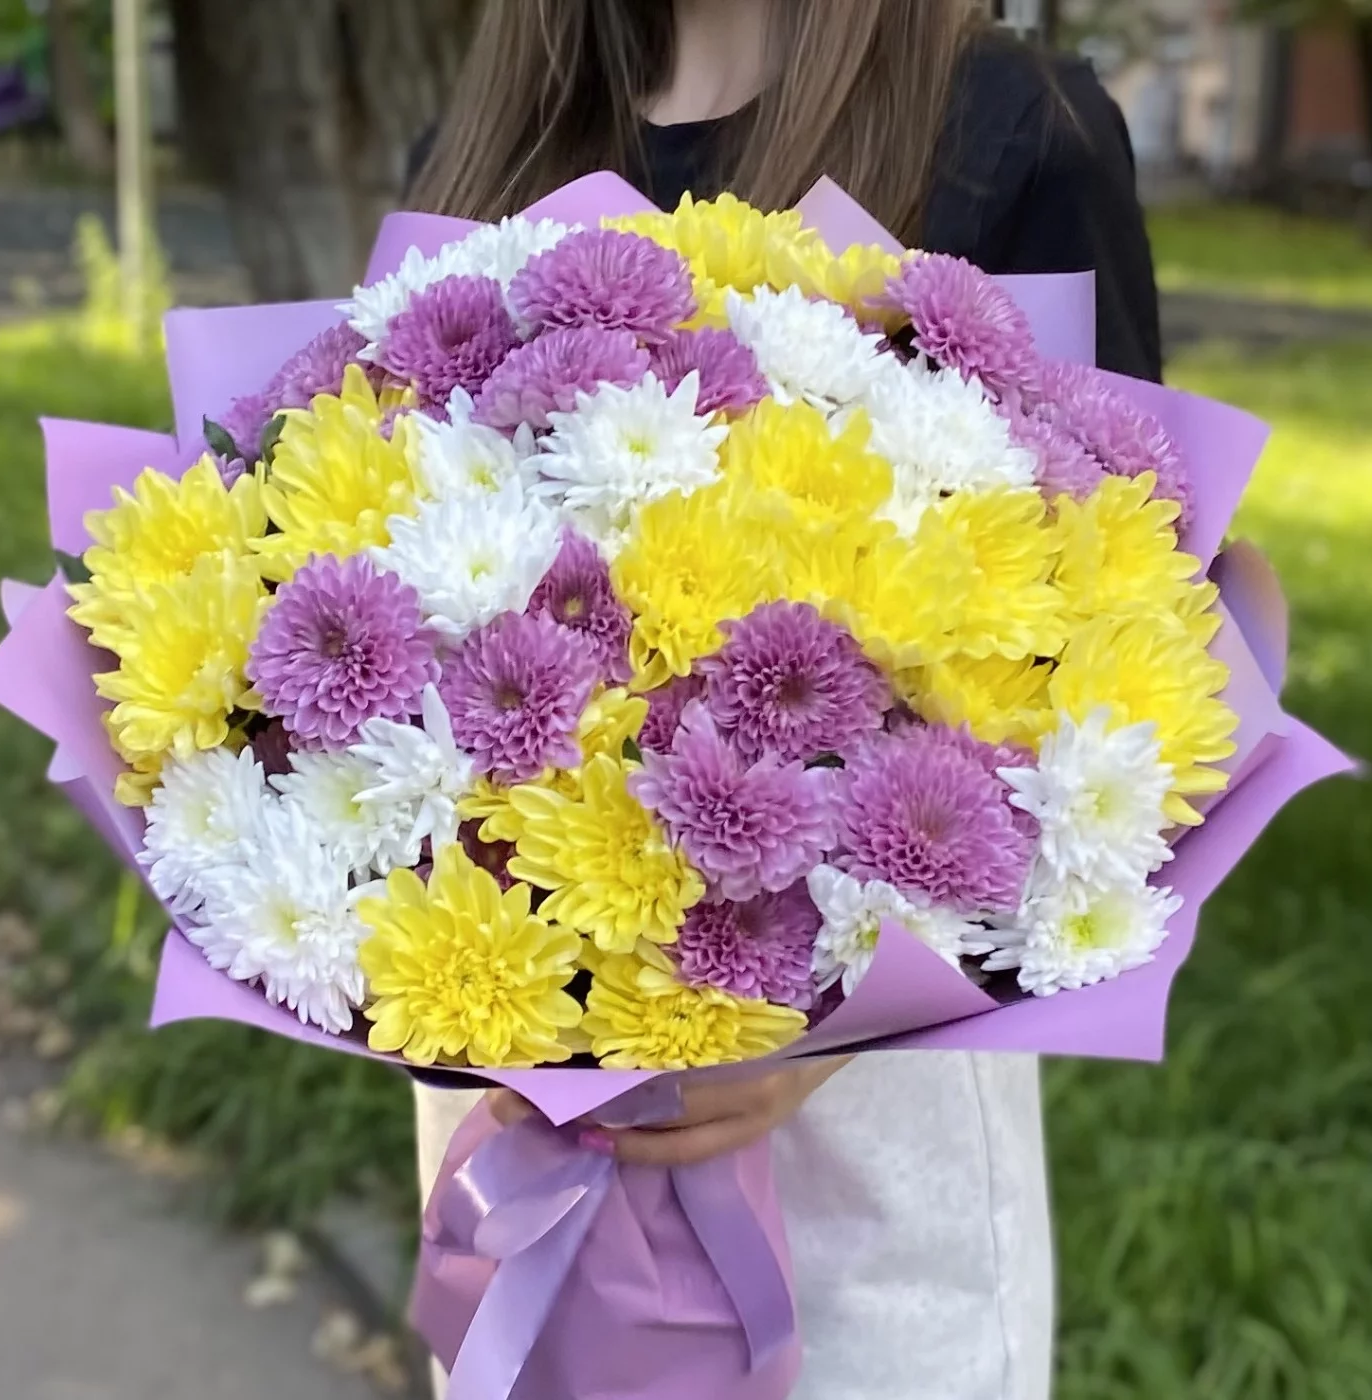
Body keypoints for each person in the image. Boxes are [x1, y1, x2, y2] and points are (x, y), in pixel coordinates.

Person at [406, 3, 1163, 1398]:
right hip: (526, 1146)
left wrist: (829, 1035)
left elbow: (1128, 631)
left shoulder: (1007, 127)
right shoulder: (484, 140)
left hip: (863, 1162)